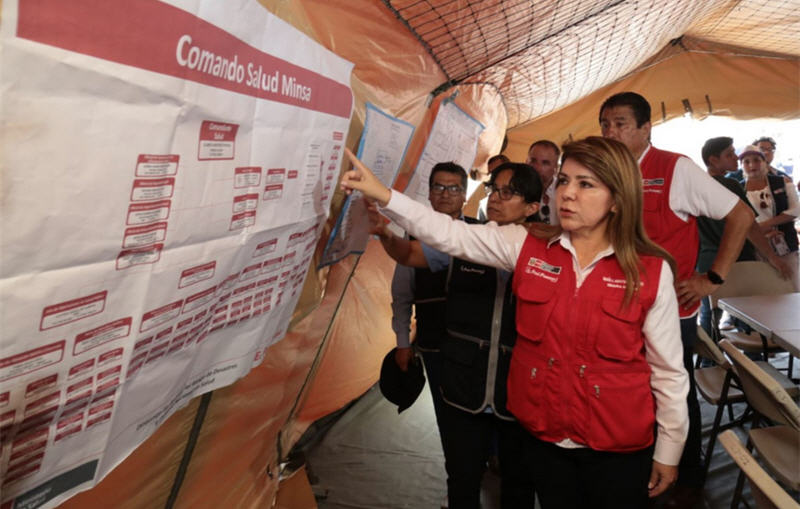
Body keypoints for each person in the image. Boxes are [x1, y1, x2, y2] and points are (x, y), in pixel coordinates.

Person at [342, 137, 689, 509]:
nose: (568, 194)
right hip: (546, 439)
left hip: (616, 444)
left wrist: (670, 449)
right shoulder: (527, 244)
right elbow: (450, 233)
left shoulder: (650, 272)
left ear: (618, 199)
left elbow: (668, 372)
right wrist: (384, 194)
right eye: (564, 181)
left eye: (585, 184)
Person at [599, 92, 752, 505]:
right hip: (614, 307)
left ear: (646, 129)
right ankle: (635, 466)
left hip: (669, 310)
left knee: (673, 390)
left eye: (620, 124)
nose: (610, 132)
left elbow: (741, 215)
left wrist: (713, 278)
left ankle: (687, 475)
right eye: (605, 125)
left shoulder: (673, 168)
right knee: (626, 389)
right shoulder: (601, 170)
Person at [372, 161, 540, 509]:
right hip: (463, 383)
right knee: (462, 474)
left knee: (519, 480)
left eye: (508, 193)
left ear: (533, 207)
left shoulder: (548, 251)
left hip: (519, 389)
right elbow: (410, 254)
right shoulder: (467, 240)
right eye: (494, 189)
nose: (495, 198)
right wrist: (386, 234)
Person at [384, 162, 468, 444]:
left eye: (453, 188)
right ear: (429, 195)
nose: (445, 194)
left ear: (465, 195)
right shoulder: (412, 240)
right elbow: (402, 295)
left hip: (473, 347)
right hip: (435, 344)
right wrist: (403, 342)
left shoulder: (481, 235)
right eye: (438, 187)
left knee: (476, 411)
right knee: (445, 413)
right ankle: (457, 476)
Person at [697, 137, 791, 336]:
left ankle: (709, 361)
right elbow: (749, 226)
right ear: (713, 160)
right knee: (747, 314)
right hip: (737, 260)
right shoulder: (730, 184)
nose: (735, 158)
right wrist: (772, 257)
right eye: (729, 154)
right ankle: (751, 360)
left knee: (709, 313)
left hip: (706, 260)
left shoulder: (696, 186)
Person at [740, 144, 800, 290]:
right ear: (742, 166)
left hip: (785, 245)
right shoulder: (739, 188)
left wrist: (763, 226)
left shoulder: (782, 181)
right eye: (746, 162)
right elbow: (739, 223)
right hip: (757, 249)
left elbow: (796, 210)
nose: (752, 165)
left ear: (764, 161)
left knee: (792, 286)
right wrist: (763, 234)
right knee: (765, 290)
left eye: (756, 160)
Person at [464, 154, 509, 220]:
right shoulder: (486, 187)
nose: (494, 175)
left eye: (496, 171)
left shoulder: (515, 190)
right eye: (491, 173)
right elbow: (470, 210)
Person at [525, 140, 560, 225]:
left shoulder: (564, 191)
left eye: (545, 163)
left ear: (556, 168)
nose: (537, 168)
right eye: (533, 161)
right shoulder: (518, 193)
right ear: (526, 162)